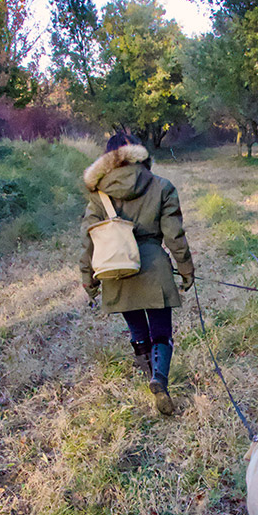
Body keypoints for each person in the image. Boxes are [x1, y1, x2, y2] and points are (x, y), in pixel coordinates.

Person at [80, 132, 194, 415]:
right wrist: (185, 268)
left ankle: (149, 377)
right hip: (154, 266)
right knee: (162, 333)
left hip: (115, 268)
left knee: (138, 330)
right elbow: (174, 235)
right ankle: (160, 380)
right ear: (138, 153)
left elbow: (89, 240)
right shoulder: (161, 186)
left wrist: (88, 277)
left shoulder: (98, 194)